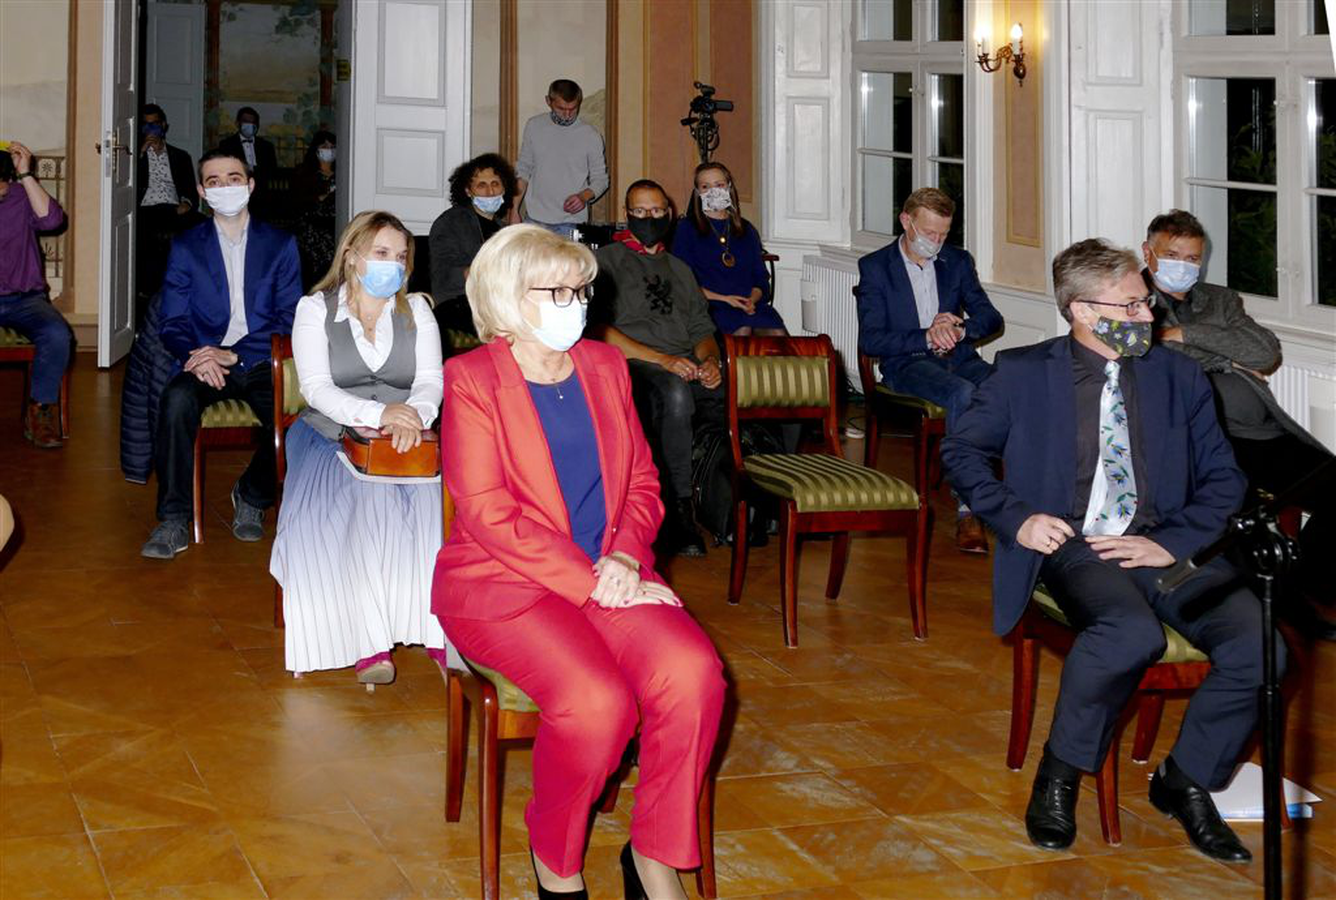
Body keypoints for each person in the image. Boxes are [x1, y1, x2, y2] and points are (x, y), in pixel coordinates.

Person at [941, 238, 1281, 863]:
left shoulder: (1178, 375)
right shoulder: (1022, 372)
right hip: (1076, 543)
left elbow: (1224, 478)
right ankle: (1060, 773)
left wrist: (1168, 544)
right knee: (1128, 635)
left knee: (1263, 646)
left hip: (1164, 541)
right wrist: (1017, 519)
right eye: (1131, 306)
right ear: (1081, 311)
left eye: (1145, 302)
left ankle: (1186, 780)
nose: (1148, 315)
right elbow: (962, 452)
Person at [433, 224, 725, 900]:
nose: (576, 305)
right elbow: (488, 513)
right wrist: (593, 583)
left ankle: (654, 855)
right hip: (506, 586)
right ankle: (555, 860)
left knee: (694, 674)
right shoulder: (471, 378)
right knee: (597, 704)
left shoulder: (605, 365)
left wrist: (624, 555)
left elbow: (643, 481)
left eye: (581, 291)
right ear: (509, 298)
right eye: (557, 292)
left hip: (612, 570)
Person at [270, 210, 455, 684]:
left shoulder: (417, 310)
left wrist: (413, 416)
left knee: (435, 505)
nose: (393, 264)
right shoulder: (316, 309)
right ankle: (368, 644)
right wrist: (379, 415)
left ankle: (436, 631)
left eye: (400, 255)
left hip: (408, 435)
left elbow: (431, 381)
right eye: (381, 252)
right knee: (364, 502)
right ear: (352, 256)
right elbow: (316, 389)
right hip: (329, 433)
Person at [1143, 209, 1336, 640]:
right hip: (1205, 438)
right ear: (1148, 253)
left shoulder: (1221, 300)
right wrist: (1227, 358)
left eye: (1193, 258)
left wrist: (1186, 335)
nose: (1183, 266)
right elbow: (1155, 360)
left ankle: (1302, 583)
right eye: (1172, 255)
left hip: (1265, 430)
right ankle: (1290, 609)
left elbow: (1264, 352)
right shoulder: (1133, 300)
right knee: (1243, 514)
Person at [140, 149, 302, 559]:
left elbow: (289, 318)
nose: (225, 187)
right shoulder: (186, 246)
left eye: (234, 178)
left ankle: (252, 494)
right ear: (201, 191)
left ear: (250, 184)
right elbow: (172, 321)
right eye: (213, 181)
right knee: (176, 401)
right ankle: (173, 519)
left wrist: (235, 354)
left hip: (260, 358)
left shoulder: (281, 245)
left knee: (298, 419)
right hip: (204, 359)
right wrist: (201, 355)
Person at [857, 186, 1003, 554]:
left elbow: (990, 318)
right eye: (929, 232)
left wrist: (960, 329)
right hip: (907, 363)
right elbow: (872, 340)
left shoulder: (957, 261)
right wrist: (926, 336)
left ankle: (1016, 494)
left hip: (959, 357)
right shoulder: (876, 267)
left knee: (1007, 386)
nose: (936, 242)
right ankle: (969, 508)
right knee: (962, 394)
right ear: (906, 221)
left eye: (943, 234)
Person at [591, 179, 723, 558]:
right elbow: (600, 330)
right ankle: (679, 509)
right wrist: (662, 360)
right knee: (675, 394)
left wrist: (710, 361)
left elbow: (702, 330)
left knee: (738, 385)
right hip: (634, 364)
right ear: (626, 214)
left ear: (669, 214)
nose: (649, 217)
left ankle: (735, 500)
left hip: (684, 362)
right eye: (640, 211)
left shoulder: (680, 269)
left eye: (656, 211)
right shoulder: (605, 263)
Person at [0, 141, 72, 449]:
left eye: (3, 182)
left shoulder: (21, 195)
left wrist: (26, 174)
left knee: (57, 333)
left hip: (25, 299)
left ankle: (40, 410)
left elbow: (52, 221)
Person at [671, 161, 785, 336]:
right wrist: (726, 299)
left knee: (777, 333)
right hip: (710, 305)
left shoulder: (747, 230)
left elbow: (760, 279)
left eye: (719, 185)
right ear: (697, 193)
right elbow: (682, 281)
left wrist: (751, 300)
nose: (713, 191)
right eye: (705, 186)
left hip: (749, 305)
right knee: (742, 330)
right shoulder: (686, 229)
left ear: (729, 187)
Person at [427, 152, 517, 336]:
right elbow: (442, 276)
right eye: (482, 185)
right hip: (459, 303)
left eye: (495, 184)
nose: (490, 192)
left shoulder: (504, 230)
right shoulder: (451, 222)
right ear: (468, 191)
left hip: (498, 302)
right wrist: (477, 271)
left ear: (504, 188)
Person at [514, 79, 609, 238]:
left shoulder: (591, 136)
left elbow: (601, 180)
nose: (567, 114)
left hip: (572, 222)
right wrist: (514, 210)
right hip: (535, 219)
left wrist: (583, 197)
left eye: (573, 109)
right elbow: (523, 171)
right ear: (548, 101)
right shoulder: (534, 126)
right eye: (561, 108)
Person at [136, 104, 198, 308]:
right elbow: (127, 186)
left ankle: (193, 287)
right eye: (146, 125)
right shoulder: (134, 155)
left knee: (203, 226)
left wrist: (187, 203)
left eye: (155, 124)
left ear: (163, 125)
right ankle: (149, 292)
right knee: (148, 235)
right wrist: (141, 155)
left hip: (173, 208)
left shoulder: (181, 156)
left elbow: (191, 192)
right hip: (146, 208)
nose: (151, 129)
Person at [292, 130, 337, 289]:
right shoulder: (305, 173)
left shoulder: (342, 173)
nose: (329, 150)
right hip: (311, 225)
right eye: (324, 146)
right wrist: (320, 198)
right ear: (316, 149)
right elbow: (298, 202)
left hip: (334, 224)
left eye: (332, 147)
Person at [218, 107, 278, 216]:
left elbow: (272, 171)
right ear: (238, 123)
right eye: (245, 121)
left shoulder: (266, 147)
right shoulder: (227, 145)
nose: (249, 125)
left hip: (261, 193)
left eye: (252, 122)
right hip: (237, 191)